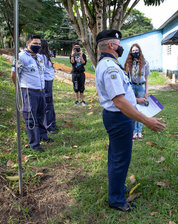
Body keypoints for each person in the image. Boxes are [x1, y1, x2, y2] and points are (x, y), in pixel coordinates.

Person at [95, 29, 166, 212]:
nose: (121, 47)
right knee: (120, 159)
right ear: (112, 45)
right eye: (119, 44)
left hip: (120, 116)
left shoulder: (110, 63)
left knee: (117, 157)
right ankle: (117, 200)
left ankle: (117, 188)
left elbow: (123, 94)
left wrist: (137, 100)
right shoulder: (109, 66)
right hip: (119, 118)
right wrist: (147, 121)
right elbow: (118, 101)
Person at [10, 34, 52, 153]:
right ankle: (35, 143)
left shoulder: (39, 57)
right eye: (34, 43)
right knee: (31, 117)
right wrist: (19, 88)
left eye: (39, 44)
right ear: (28, 44)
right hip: (29, 91)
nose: (37, 46)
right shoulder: (21, 57)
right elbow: (14, 75)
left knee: (41, 114)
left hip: (40, 90)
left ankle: (43, 135)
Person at [124, 43, 150, 140]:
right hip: (132, 87)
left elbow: (147, 78)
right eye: (133, 50)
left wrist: (146, 91)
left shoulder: (145, 63)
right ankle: (134, 131)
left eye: (137, 50)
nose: (135, 52)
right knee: (133, 109)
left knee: (140, 109)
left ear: (140, 51)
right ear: (131, 52)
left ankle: (140, 131)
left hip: (141, 87)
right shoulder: (129, 63)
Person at [39, 40, 58, 134]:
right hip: (46, 81)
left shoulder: (46, 56)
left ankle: (52, 123)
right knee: (47, 103)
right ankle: (48, 126)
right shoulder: (41, 57)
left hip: (49, 81)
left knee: (50, 103)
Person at [70, 42, 87, 106]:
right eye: (75, 48)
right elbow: (72, 62)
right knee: (76, 87)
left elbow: (83, 63)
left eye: (78, 48)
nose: (77, 49)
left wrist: (81, 55)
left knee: (82, 87)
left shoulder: (83, 55)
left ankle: (82, 100)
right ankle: (76, 100)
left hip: (81, 73)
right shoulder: (72, 55)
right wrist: (72, 54)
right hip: (75, 73)